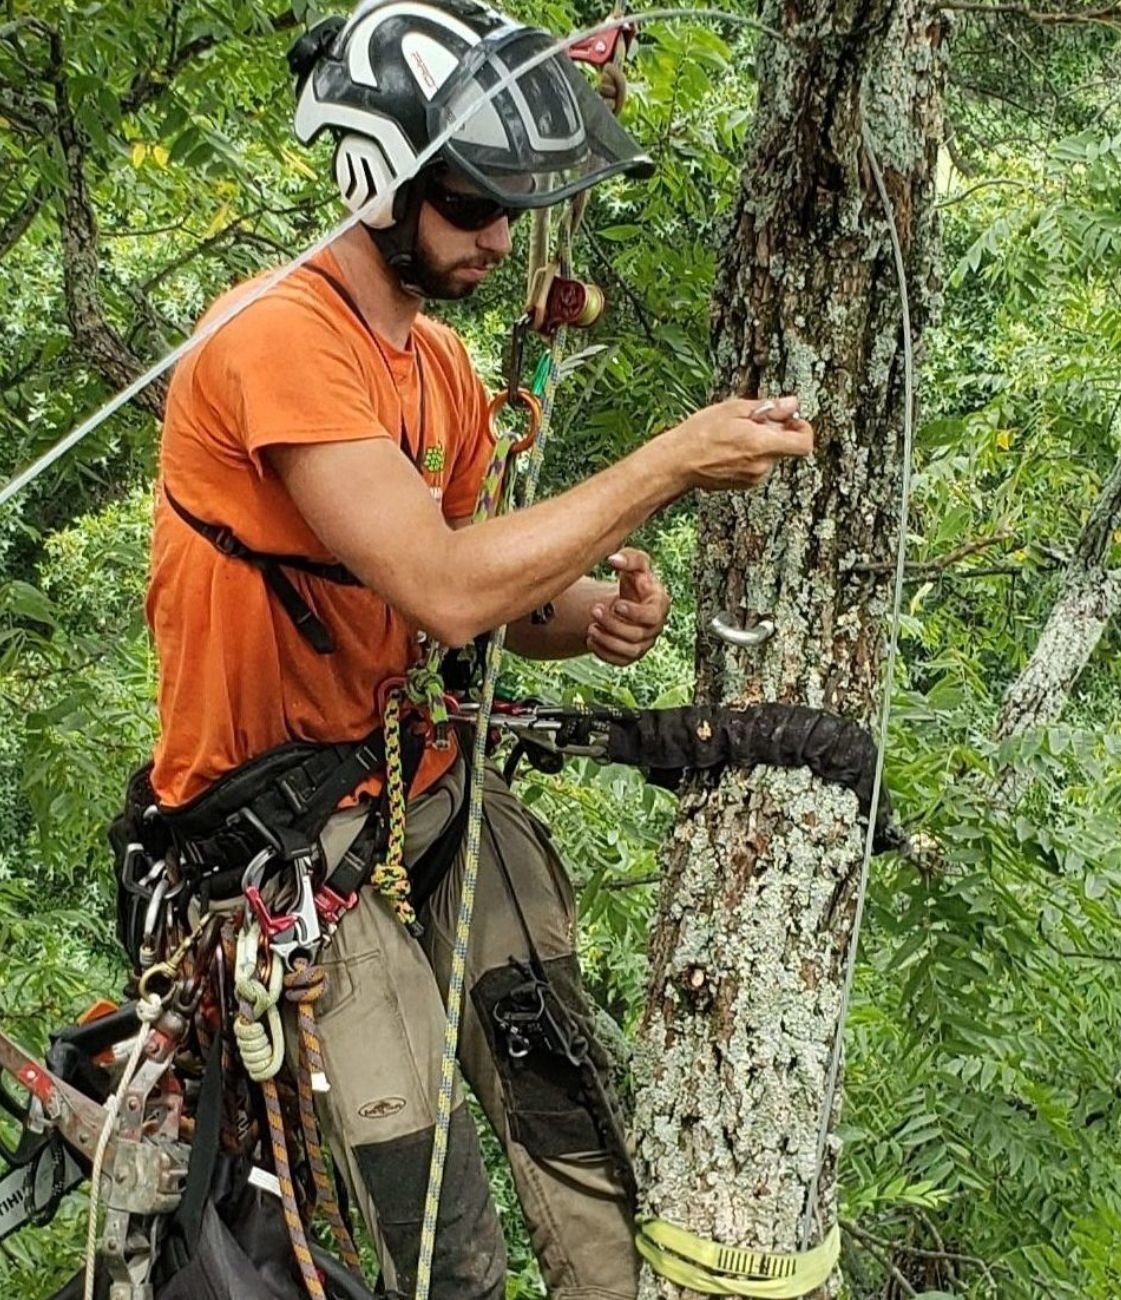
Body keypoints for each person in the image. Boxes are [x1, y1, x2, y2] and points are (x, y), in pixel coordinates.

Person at [145, 1, 814, 1296]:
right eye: (470, 206)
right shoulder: (274, 343)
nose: (499, 240)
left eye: (509, 207)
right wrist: (668, 462)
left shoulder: (440, 367)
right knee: (445, 1241)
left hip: (423, 786)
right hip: (278, 842)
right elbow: (447, 588)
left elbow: (476, 597)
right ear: (377, 187)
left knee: (579, 1136)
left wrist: (586, 618)